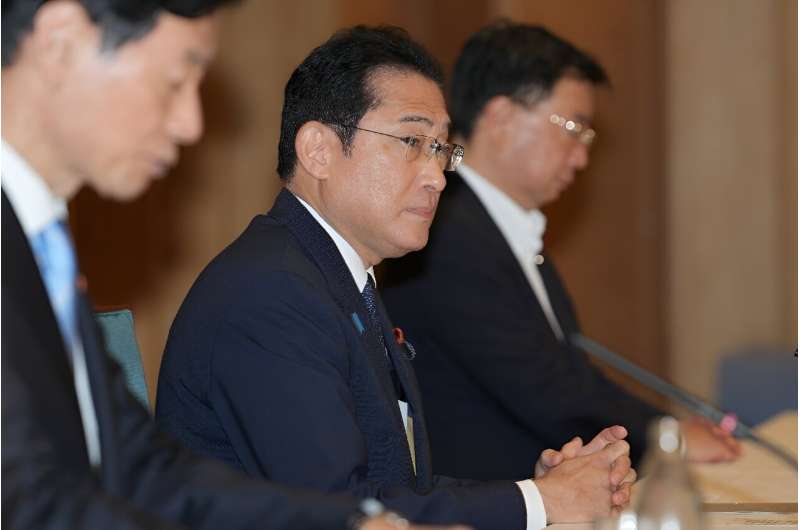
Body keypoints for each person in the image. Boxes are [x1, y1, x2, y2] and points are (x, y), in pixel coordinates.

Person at [156, 24, 636, 530]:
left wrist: (538, 488)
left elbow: (397, 488)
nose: (436, 175)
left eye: (441, 149)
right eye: (411, 140)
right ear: (318, 150)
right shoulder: (268, 292)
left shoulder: (336, 277)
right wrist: (538, 502)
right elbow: (342, 509)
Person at [1, 2, 456, 529]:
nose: (190, 124)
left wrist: (350, 524)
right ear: (60, 41)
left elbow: (146, 470)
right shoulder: (271, 286)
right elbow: (32, 502)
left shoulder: (41, 245)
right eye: (174, 80)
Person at [380, 21, 741, 482]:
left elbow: (569, 372)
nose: (581, 158)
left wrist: (668, 429)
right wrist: (668, 438)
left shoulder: (501, 227)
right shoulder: (445, 233)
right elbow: (546, 391)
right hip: (483, 500)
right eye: (573, 129)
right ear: (502, 118)